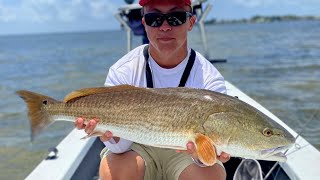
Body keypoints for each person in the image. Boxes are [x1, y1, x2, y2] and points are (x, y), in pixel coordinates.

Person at [75, 0, 230, 179]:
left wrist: (203, 156)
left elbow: (210, 151)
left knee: (210, 174)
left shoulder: (210, 79)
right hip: (137, 144)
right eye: (154, 18)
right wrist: (109, 135)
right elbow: (120, 148)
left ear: (190, 22)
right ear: (144, 23)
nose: (164, 27)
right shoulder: (123, 71)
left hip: (186, 152)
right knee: (115, 171)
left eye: (175, 18)